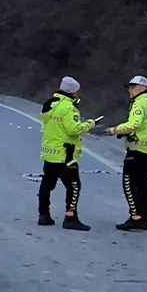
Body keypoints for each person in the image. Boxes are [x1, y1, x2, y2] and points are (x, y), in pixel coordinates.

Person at [37, 76, 96, 231]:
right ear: (74, 92)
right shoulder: (69, 108)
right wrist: (90, 124)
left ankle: (43, 215)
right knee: (74, 186)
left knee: (47, 184)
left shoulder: (50, 104)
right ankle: (70, 217)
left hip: (49, 153)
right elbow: (73, 129)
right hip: (65, 155)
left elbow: (45, 127)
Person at [106, 76, 147, 231]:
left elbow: (133, 124)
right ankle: (144, 219)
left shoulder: (139, 104)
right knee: (144, 185)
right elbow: (145, 128)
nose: (130, 90)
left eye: (133, 86)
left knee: (129, 184)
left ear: (143, 88)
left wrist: (113, 130)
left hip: (137, 151)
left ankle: (135, 217)